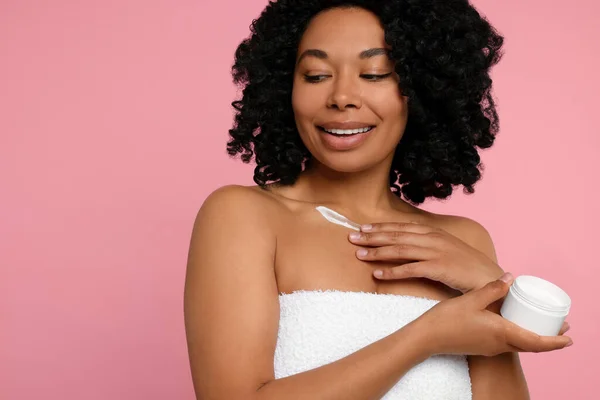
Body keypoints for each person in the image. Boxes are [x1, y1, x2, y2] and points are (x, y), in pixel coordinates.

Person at [184, 1, 572, 398]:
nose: (342, 97)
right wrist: (425, 336)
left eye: (375, 74)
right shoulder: (243, 217)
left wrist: (492, 291)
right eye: (316, 75)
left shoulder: (464, 242)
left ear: (421, 89)